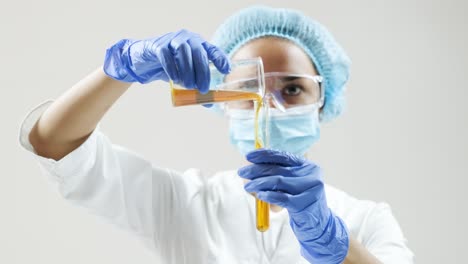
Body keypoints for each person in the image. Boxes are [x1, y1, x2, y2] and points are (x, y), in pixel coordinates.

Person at [19, 5, 414, 264]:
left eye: (292, 89)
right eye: (249, 90)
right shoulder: (184, 205)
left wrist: (333, 241)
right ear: (220, 99)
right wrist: (117, 72)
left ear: (323, 100)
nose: (268, 104)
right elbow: (54, 144)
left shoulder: (366, 220)